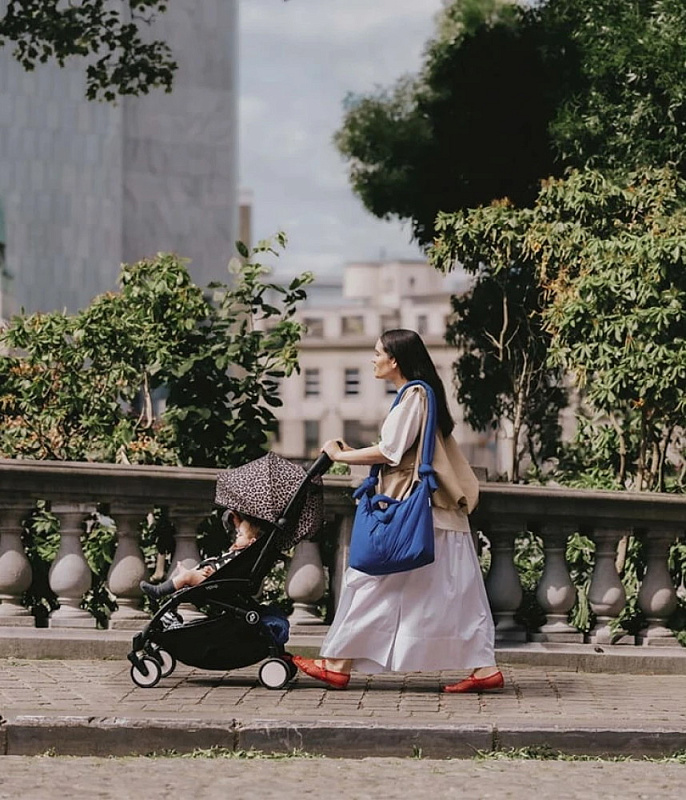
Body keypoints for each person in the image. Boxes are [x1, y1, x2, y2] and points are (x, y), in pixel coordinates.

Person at [292, 329, 503, 694]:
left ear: (395, 360)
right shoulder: (420, 395)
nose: (373, 359)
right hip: (435, 515)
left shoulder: (414, 396)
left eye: (378, 353)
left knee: (371, 583)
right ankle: (485, 669)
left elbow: (390, 451)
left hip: (417, 514)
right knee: (454, 596)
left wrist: (340, 456)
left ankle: (338, 665)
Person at [139, 511, 260, 600]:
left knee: (188, 576)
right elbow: (241, 528)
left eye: (240, 535)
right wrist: (235, 517)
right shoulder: (241, 551)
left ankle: (159, 591)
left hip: (215, 582)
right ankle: (184, 577)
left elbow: (232, 573)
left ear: (252, 541)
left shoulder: (244, 557)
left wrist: (215, 575)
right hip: (212, 578)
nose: (237, 535)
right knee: (189, 575)